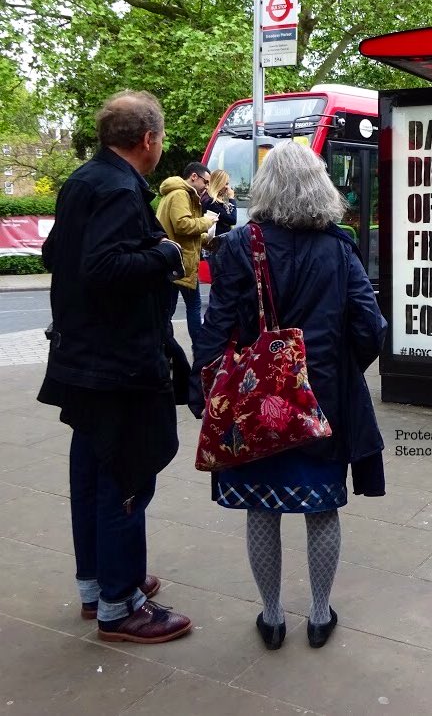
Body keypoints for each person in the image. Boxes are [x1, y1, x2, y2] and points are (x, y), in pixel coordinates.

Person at [189, 140, 387, 651]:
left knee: (263, 509)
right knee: (322, 508)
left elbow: (214, 330)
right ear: (319, 186)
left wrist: (206, 393)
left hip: (256, 406)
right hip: (321, 403)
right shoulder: (338, 247)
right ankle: (320, 617)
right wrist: (340, 371)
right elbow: (371, 327)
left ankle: (272, 617)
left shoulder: (237, 245)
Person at [36, 91, 192, 643]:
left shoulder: (81, 181)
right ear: (148, 140)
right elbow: (103, 267)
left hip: (81, 359)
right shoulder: (123, 191)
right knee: (127, 473)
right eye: (162, 136)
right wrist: (166, 254)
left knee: (91, 471)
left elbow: (56, 255)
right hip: (119, 364)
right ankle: (120, 605)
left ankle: (97, 584)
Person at [157, 162, 216, 351]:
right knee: (190, 307)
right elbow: (182, 225)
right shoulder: (181, 194)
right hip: (181, 263)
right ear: (193, 177)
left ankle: (165, 348)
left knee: (169, 309)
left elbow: (183, 231)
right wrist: (207, 222)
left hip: (175, 261)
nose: (207, 187)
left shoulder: (174, 193)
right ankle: (198, 350)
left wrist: (206, 239)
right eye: (205, 182)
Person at [201, 169, 238, 238]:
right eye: (226, 184)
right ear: (219, 184)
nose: (228, 187)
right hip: (215, 243)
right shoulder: (211, 202)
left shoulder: (213, 200)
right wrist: (231, 199)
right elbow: (232, 220)